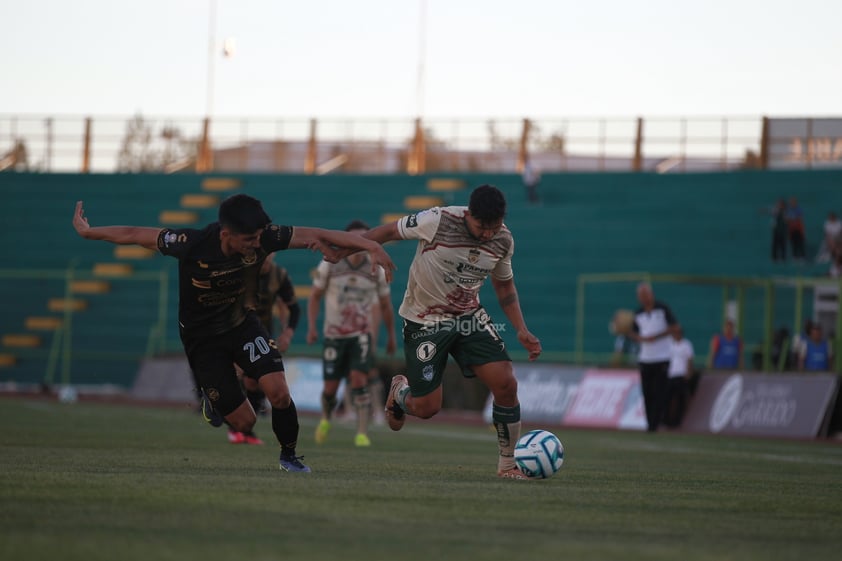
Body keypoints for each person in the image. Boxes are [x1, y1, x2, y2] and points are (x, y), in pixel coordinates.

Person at [72, 194, 395, 473]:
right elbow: (134, 233)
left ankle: (289, 456)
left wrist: (369, 245)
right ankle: (213, 402)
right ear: (227, 234)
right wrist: (90, 233)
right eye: (250, 240)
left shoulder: (264, 237)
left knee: (279, 392)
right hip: (202, 340)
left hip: (242, 325)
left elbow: (320, 233)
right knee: (245, 423)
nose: (258, 244)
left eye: (259, 238)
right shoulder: (191, 244)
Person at [358, 184, 542, 480]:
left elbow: (504, 285)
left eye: (493, 227)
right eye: (482, 226)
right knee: (428, 408)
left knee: (506, 383)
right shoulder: (438, 220)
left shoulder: (503, 240)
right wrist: (349, 246)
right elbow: (389, 232)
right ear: (469, 214)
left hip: (468, 317)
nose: (486, 234)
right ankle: (400, 392)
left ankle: (507, 465)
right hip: (424, 320)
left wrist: (521, 328)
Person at [306, 220, 397, 447]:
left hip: (361, 334)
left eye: (363, 238)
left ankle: (362, 432)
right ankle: (326, 418)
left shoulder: (374, 267)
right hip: (334, 334)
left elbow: (385, 305)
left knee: (359, 380)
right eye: (354, 239)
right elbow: (315, 296)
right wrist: (311, 327)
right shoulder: (329, 264)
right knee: (330, 388)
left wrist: (391, 335)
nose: (359, 243)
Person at [227, 252, 300, 445]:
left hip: (262, 335)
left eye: (269, 254)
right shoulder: (239, 271)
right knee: (240, 377)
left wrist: (287, 333)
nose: (265, 259)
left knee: (255, 382)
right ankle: (234, 423)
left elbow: (294, 308)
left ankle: (242, 429)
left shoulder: (279, 275)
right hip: (236, 332)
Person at [628, 282, 680, 433]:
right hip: (645, 359)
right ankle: (650, 424)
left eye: (646, 295)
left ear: (651, 294)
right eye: (641, 296)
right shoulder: (638, 314)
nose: (644, 298)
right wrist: (639, 337)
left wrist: (655, 337)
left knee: (660, 392)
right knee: (647, 393)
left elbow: (675, 327)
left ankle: (656, 424)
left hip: (662, 357)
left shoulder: (662, 309)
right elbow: (632, 332)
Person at [664, 326, 694, 428]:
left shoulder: (686, 345)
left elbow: (690, 360)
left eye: (678, 333)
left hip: (681, 375)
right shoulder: (670, 345)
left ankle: (678, 422)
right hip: (671, 375)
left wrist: (688, 373)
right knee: (667, 399)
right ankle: (666, 421)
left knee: (680, 400)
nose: (676, 335)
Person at [786, 197, 806, 261]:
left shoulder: (798, 210)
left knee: (800, 243)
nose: (792, 204)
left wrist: (802, 230)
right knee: (793, 243)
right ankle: (795, 257)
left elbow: (800, 220)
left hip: (798, 229)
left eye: (793, 202)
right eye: (791, 202)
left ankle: (802, 257)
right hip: (792, 229)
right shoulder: (788, 210)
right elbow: (787, 220)